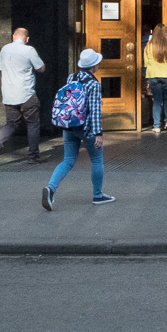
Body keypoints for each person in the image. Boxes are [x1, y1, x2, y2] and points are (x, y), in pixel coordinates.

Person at [42, 48, 113, 210]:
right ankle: (97, 195)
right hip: (86, 127)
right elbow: (95, 111)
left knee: (68, 160)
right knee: (96, 160)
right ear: (94, 66)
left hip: (69, 125)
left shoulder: (71, 77)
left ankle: (50, 188)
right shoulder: (94, 84)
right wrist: (98, 134)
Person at [0, 28, 47, 166]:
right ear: (27, 39)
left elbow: (1, 68)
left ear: (13, 37)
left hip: (9, 94)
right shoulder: (29, 50)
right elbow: (41, 68)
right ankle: (33, 156)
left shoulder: (4, 49)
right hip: (26, 93)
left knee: (11, 123)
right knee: (33, 124)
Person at [144, 22, 167, 133]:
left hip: (153, 74)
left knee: (157, 100)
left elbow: (146, 62)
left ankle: (156, 126)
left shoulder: (149, 45)